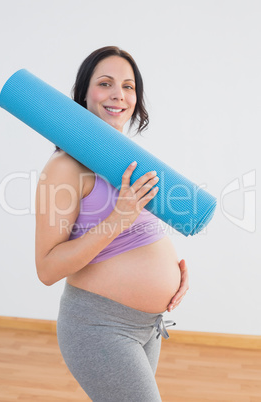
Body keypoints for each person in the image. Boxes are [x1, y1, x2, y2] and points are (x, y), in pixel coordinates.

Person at [35, 46, 189, 402]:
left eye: (128, 86)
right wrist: (117, 219)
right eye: (105, 83)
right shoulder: (64, 167)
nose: (119, 94)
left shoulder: (129, 159)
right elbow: (46, 268)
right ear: (84, 94)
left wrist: (176, 271)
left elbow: (141, 234)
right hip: (99, 326)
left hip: (148, 326)